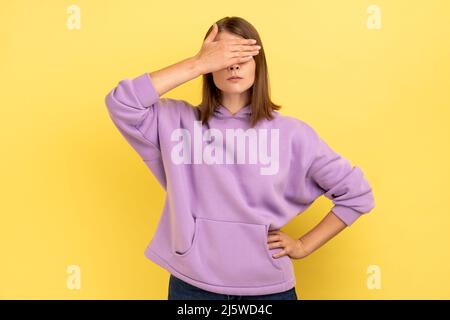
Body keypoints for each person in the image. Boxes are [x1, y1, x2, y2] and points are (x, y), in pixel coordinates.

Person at [104, 16, 375, 300]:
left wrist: (304, 246)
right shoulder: (176, 121)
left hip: (268, 291)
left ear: (259, 65)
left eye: (242, 55)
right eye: (222, 56)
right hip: (192, 287)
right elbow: (121, 102)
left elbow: (357, 194)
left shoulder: (293, 134)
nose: (232, 64)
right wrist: (197, 63)